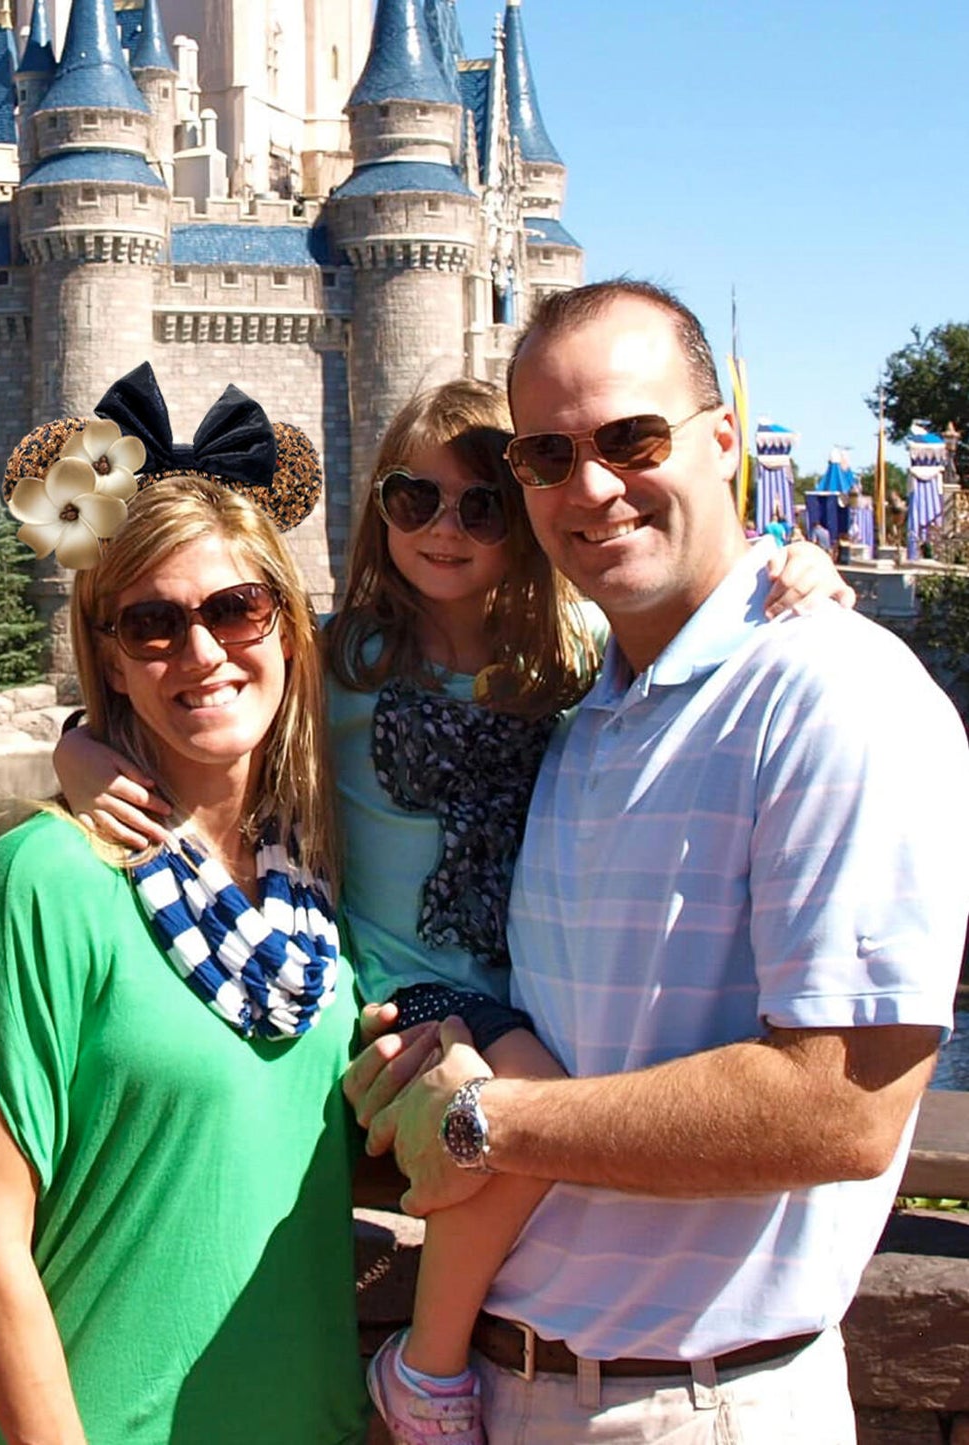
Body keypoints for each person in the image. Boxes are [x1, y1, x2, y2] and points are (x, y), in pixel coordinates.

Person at [56, 376, 851, 1445]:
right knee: (524, 1099)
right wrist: (73, 743)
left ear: (522, 515)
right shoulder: (336, 663)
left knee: (539, 1089)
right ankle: (427, 1370)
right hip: (396, 987)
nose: (443, 526)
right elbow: (199, 685)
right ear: (376, 507)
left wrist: (785, 565)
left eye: (479, 503)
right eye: (411, 498)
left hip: (523, 981)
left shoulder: (564, 662)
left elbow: (687, 643)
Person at [345, 279, 969, 1445]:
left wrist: (488, 1121)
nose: (589, 486)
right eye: (544, 455)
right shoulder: (584, 721)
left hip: (698, 1402)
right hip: (515, 1388)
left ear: (722, 438)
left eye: (631, 438)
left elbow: (839, 1108)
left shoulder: (833, 693)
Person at [0, 376, 370, 1445]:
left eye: (235, 607)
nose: (204, 652)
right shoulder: (47, 879)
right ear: (112, 658)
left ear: (285, 623)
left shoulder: (316, 878)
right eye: (154, 623)